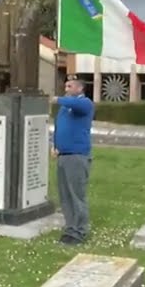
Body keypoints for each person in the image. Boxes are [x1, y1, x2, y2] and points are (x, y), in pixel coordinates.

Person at [52, 74, 95, 245]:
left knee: (76, 195)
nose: (66, 89)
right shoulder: (65, 107)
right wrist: (55, 144)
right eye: (66, 86)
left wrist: (58, 99)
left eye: (70, 86)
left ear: (80, 88)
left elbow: (76, 105)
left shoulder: (84, 103)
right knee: (65, 196)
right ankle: (70, 228)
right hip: (63, 155)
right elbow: (59, 127)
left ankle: (79, 231)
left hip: (77, 155)